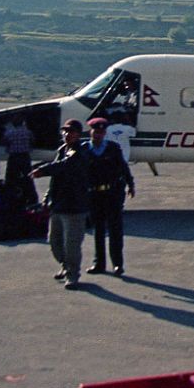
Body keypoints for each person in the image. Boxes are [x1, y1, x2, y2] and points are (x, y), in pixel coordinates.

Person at [31, 119, 90, 290]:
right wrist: (48, 197)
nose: (66, 135)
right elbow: (56, 178)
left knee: (72, 244)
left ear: (78, 134)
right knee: (54, 242)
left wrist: (42, 170)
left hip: (74, 206)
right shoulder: (62, 150)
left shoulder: (80, 151)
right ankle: (65, 266)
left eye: (70, 132)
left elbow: (64, 166)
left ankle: (73, 275)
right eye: (64, 131)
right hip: (58, 204)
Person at [83, 117, 136, 277]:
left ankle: (117, 264)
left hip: (112, 194)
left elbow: (123, 167)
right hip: (94, 194)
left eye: (101, 132)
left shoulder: (113, 148)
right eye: (96, 131)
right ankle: (98, 263)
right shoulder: (85, 149)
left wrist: (130, 184)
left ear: (105, 133)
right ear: (91, 131)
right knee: (98, 230)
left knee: (115, 230)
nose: (98, 134)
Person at [2, 118, 36, 203]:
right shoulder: (28, 132)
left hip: (14, 156)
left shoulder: (9, 133)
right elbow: (32, 141)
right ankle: (32, 197)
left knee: (10, 178)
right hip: (24, 156)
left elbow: (5, 142)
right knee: (28, 177)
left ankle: (8, 196)